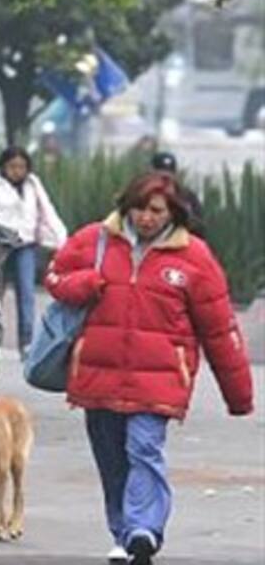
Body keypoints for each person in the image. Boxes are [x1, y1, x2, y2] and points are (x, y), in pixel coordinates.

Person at [44, 171, 253, 565]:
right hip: (98, 376)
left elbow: (220, 329)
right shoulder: (95, 240)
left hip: (159, 381)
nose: (145, 217)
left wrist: (238, 395)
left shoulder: (195, 258)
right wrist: (84, 283)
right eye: (138, 208)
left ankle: (143, 529)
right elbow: (55, 277)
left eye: (155, 210)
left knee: (144, 450)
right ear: (126, 207)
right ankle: (123, 533)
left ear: (173, 212)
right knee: (111, 460)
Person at [0, 146, 67, 359]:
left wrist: (62, 241)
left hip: (25, 245)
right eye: (12, 166)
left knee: (26, 294)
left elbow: (47, 212)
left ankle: (26, 343)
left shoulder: (32, 184)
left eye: (21, 167)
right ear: (3, 166)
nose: (17, 171)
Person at [151, 151, 205, 238]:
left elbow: (199, 228)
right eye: (160, 176)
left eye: (169, 176)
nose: (165, 180)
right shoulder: (143, 195)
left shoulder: (188, 198)